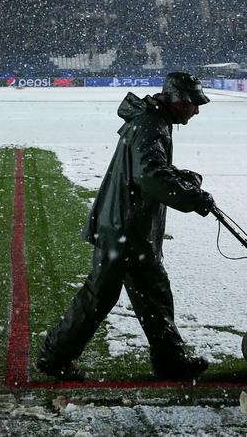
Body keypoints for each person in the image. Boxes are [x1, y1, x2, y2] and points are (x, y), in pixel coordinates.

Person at [35, 72, 216, 382]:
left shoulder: (152, 120)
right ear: (178, 101)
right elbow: (149, 177)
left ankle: (171, 361)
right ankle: (54, 357)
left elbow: (149, 169)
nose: (196, 111)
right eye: (193, 105)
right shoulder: (151, 125)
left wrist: (180, 177)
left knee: (154, 295)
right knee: (99, 297)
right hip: (124, 228)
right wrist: (192, 199)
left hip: (129, 227)